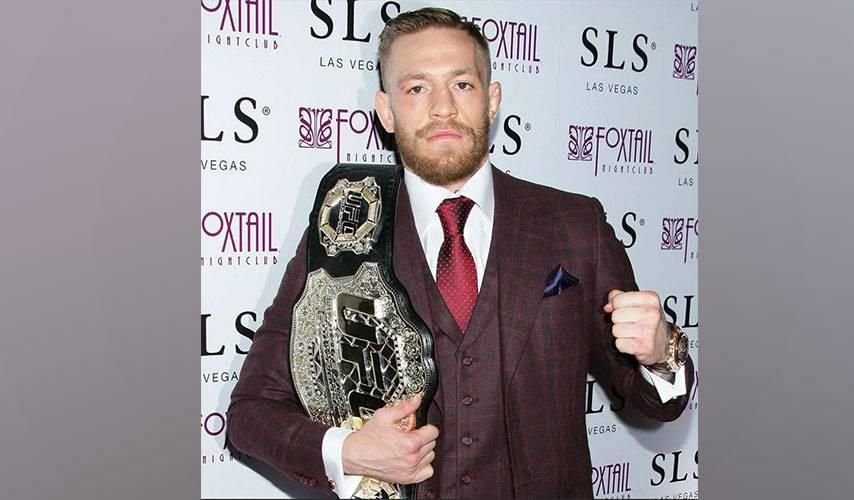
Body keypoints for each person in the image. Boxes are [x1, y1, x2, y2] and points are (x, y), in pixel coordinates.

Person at [227, 7, 694, 499]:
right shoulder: (344, 230)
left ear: (492, 100)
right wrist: (349, 452)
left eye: (462, 85)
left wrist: (662, 352)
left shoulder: (575, 225)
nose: (443, 108)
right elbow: (250, 413)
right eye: (417, 88)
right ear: (386, 111)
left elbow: (659, 402)